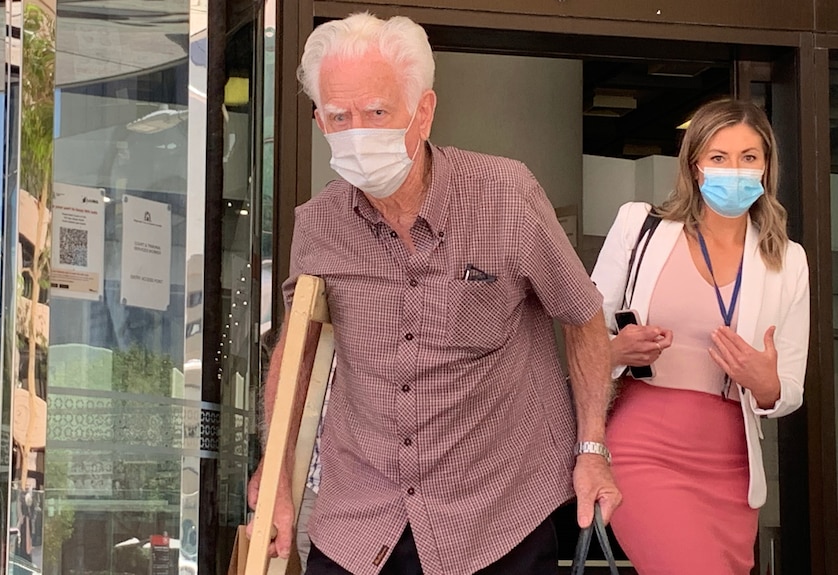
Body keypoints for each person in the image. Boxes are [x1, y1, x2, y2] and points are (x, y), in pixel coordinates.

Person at [248, 12, 622, 575]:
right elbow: (298, 349)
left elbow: (582, 316)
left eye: (375, 113)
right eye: (338, 116)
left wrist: (591, 450)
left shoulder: (505, 197)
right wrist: (274, 473)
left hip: (496, 518)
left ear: (422, 112)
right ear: (319, 122)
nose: (357, 132)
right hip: (360, 521)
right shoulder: (318, 225)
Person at [591, 99, 809, 574]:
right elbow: (586, 337)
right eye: (719, 157)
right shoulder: (641, 227)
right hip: (643, 446)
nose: (736, 170)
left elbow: (786, 388)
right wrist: (615, 351)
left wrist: (764, 381)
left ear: (767, 167)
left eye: (749, 158)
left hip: (733, 462)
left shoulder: (787, 260)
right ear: (695, 166)